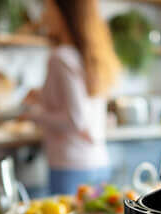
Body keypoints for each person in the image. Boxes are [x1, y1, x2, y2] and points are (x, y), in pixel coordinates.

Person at [22, 0, 121, 195]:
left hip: (70, 165)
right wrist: (42, 96)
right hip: (98, 161)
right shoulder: (89, 56)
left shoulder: (60, 57)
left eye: (49, 10)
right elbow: (79, 103)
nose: (44, 17)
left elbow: (75, 120)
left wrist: (32, 116)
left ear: (64, 14)